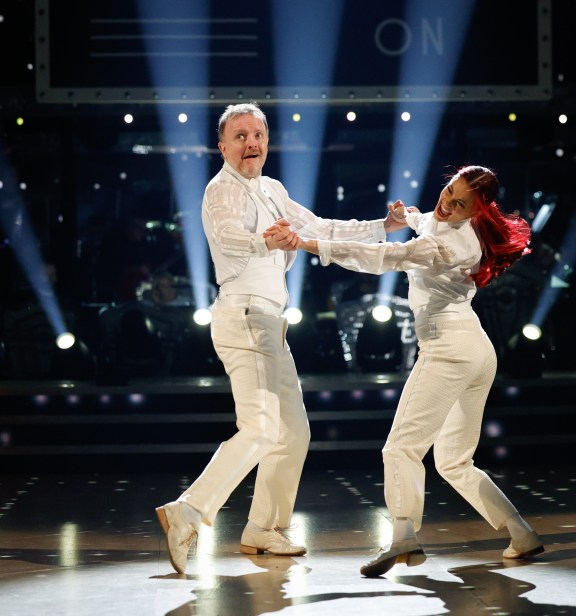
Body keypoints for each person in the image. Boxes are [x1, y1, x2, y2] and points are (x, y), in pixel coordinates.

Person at [155, 102, 400, 575]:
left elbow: (321, 228)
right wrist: (266, 240)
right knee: (263, 429)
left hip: (271, 323)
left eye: (258, 135)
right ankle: (187, 512)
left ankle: (263, 527)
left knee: (293, 434)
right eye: (241, 136)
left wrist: (381, 228)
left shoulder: (272, 189)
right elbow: (227, 239)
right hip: (244, 316)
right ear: (222, 146)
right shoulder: (220, 189)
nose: (251, 143)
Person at [272, 165, 544, 577]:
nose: (448, 204)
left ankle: (403, 538)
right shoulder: (444, 221)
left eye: (459, 203)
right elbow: (429, 220)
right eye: (449, 192)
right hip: (475, 350)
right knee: (454, 462)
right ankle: (520, 534)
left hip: (449, 349)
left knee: (401, 447)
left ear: (477, 212)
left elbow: (384, 257)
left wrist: (309, 244)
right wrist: (408, 216)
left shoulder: (452, 247)